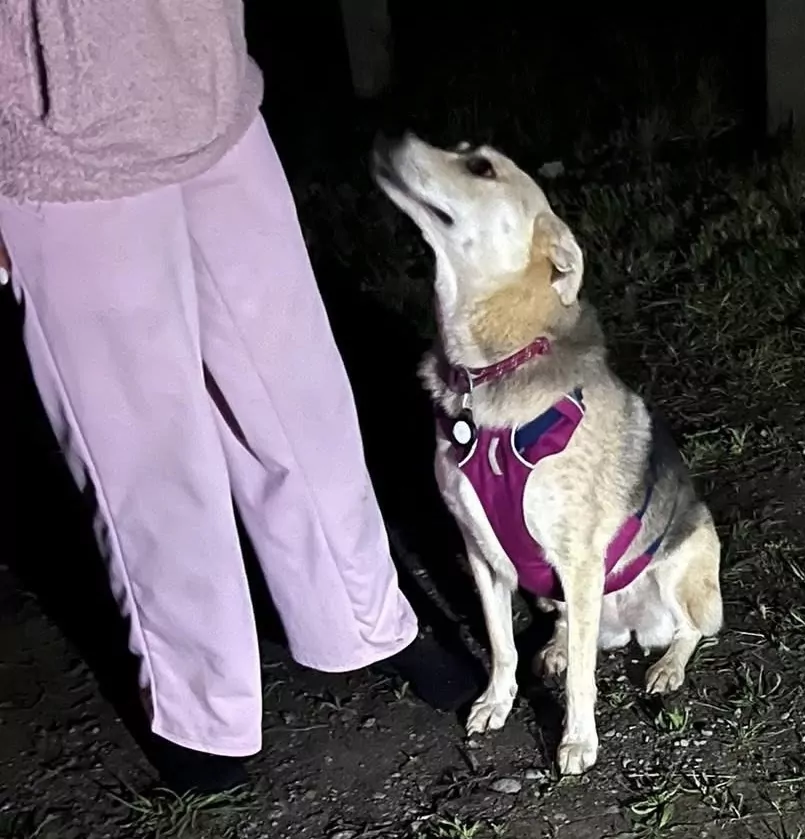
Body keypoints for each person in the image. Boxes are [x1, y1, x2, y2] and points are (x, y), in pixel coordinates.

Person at [0, 1, 483, 795]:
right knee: (144, 444)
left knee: (296, 384)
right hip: (55, 135)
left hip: (207, 83)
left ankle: (362, 618)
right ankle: (201, 706)